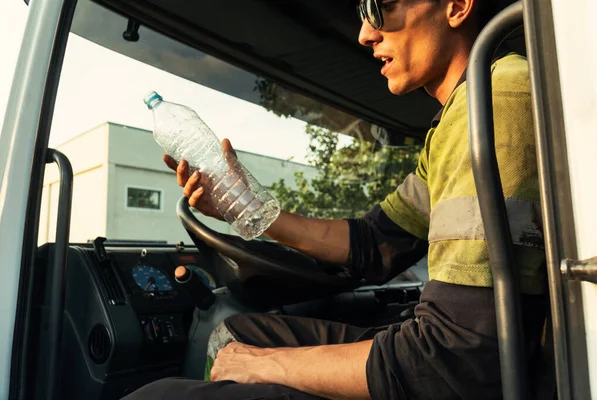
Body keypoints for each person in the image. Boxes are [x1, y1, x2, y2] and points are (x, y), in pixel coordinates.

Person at [124, 0, 547, 399]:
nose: (365, 33)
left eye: (379, 7)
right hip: (453, 357)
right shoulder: (459, 116)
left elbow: (457, 356)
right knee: (241, 332)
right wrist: (247, 207)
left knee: (156, 396)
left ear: (456, 5)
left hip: (482, 377)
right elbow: (373, 243)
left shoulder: (496, 100)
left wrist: (270, 366)